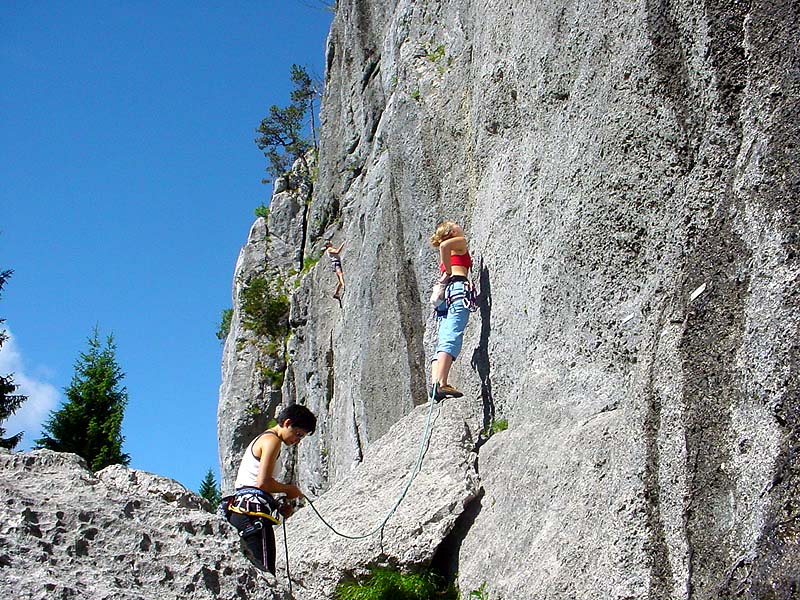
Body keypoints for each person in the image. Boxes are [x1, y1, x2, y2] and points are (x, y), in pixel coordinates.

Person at [225, 404, 317, 574]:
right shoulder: (272, 440)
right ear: (287, 422)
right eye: (298, 434)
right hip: (253, 515)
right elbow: (262, 483)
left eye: (301, 438)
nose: (297, 440)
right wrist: (289, 489)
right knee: (266, 573)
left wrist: (275, 504)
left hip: (242, 511)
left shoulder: (263, 439)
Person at [430, 221, 472, 401]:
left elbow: (444, 247)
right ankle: (442, 383)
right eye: (456, 225)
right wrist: (448, 269)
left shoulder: (452, 250)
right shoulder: (459, 242)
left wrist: (446, 271)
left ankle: (434, 384)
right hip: (457, 289)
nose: (460, 226)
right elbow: (444, 245)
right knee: (452, 334)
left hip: (444, 294)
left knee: (443, 337)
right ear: (452, 231)